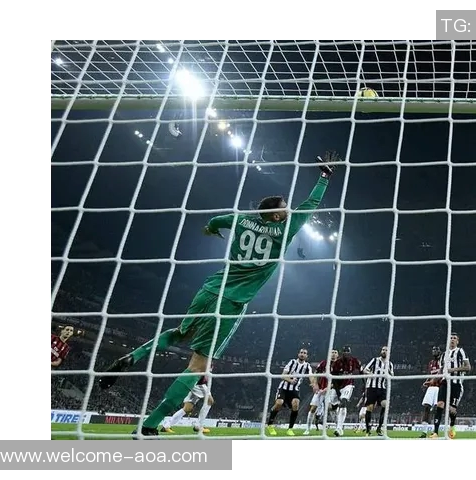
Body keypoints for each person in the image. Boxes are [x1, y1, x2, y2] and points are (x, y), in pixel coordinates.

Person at [99, 152, 338, 437]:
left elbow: (215, 220)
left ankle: (133, 356)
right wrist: (324, 177)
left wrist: (212, 230)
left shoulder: (242, 220)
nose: (288, 211)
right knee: (198, 366)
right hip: (232, 303)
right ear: (276, 215)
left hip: (210, 288)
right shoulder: (285, 228)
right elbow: (310, 205)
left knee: (178, 333)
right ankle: (151, 424)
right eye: (285, 208)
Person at [429, 333, 471, 439]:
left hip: (456, 383)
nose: (452, 340)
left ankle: (452, 426)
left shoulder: (460, 351)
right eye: (451, 338)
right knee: (440, 404)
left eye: (454, 338)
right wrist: (432, 380)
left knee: (452, 410)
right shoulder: (444, 355)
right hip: (444, 382)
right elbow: (441, 370)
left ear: (457, 341)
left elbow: (468, 367)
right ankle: (435, 432)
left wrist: (453, 370)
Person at [266, 348, 316, 436]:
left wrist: (313, 384)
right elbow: (283, 375)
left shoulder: (307, 366)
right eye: (301, 352)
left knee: (296, 405)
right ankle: (270, 425)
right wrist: (290, 380)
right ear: (298, 354)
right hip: (284, 388)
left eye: (304, 353)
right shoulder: (292, 362)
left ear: (306, 356)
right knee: (279, 403)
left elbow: (311, 376)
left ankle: (290, 429)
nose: (302, 354)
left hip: (295, 389)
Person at [329, 345, 362, 437]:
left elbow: (361, 372)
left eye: (348, 352)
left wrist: (365, 385)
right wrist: (337, 391)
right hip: (337, 386)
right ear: (342, 353)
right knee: (332, 407)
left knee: (343, 402)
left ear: (350, 353)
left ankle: (339, 428)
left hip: (348, 385)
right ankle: (338, 425)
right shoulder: (337, 363)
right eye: (345, 352)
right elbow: (334, 378)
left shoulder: (355, 361)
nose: (346, 353)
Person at [304, 349, 338, 435]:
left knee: (331, 408)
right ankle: (307, 429)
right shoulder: (323, 363)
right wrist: (315, 384)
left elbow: (338, 381)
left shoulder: (339, 365)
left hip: (331, 390)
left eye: (335, 353)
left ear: (337, 355)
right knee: (313, 408)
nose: (333, 354)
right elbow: (316, 374)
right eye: (332, 352)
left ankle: (338, 428)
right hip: (320, 389)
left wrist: (328, 388)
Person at [363, 346, 394, 436]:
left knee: (385, 405)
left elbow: (392, 375)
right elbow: (365, 370)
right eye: (383, 350)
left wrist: (389, 373)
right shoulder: (375, 360)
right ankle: (368, 429)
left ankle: (379, 428)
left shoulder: (390, 364)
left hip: (382, 388)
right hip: (371, 387)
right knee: (370, 407)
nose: (384, 351)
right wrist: (371, 374)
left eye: (386, 350)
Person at [419, 345, 442, 438]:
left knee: (437, 409)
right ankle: (424, 431)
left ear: (440, 352)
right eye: (433, 350)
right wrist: (425, 382)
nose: (434, 351)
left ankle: (435, 431)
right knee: (426, 408)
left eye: (436, 350)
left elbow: (442, 374)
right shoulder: (431, 363)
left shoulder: (442, 362)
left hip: (439, 387)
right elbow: (430, 375)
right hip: (431, 387)